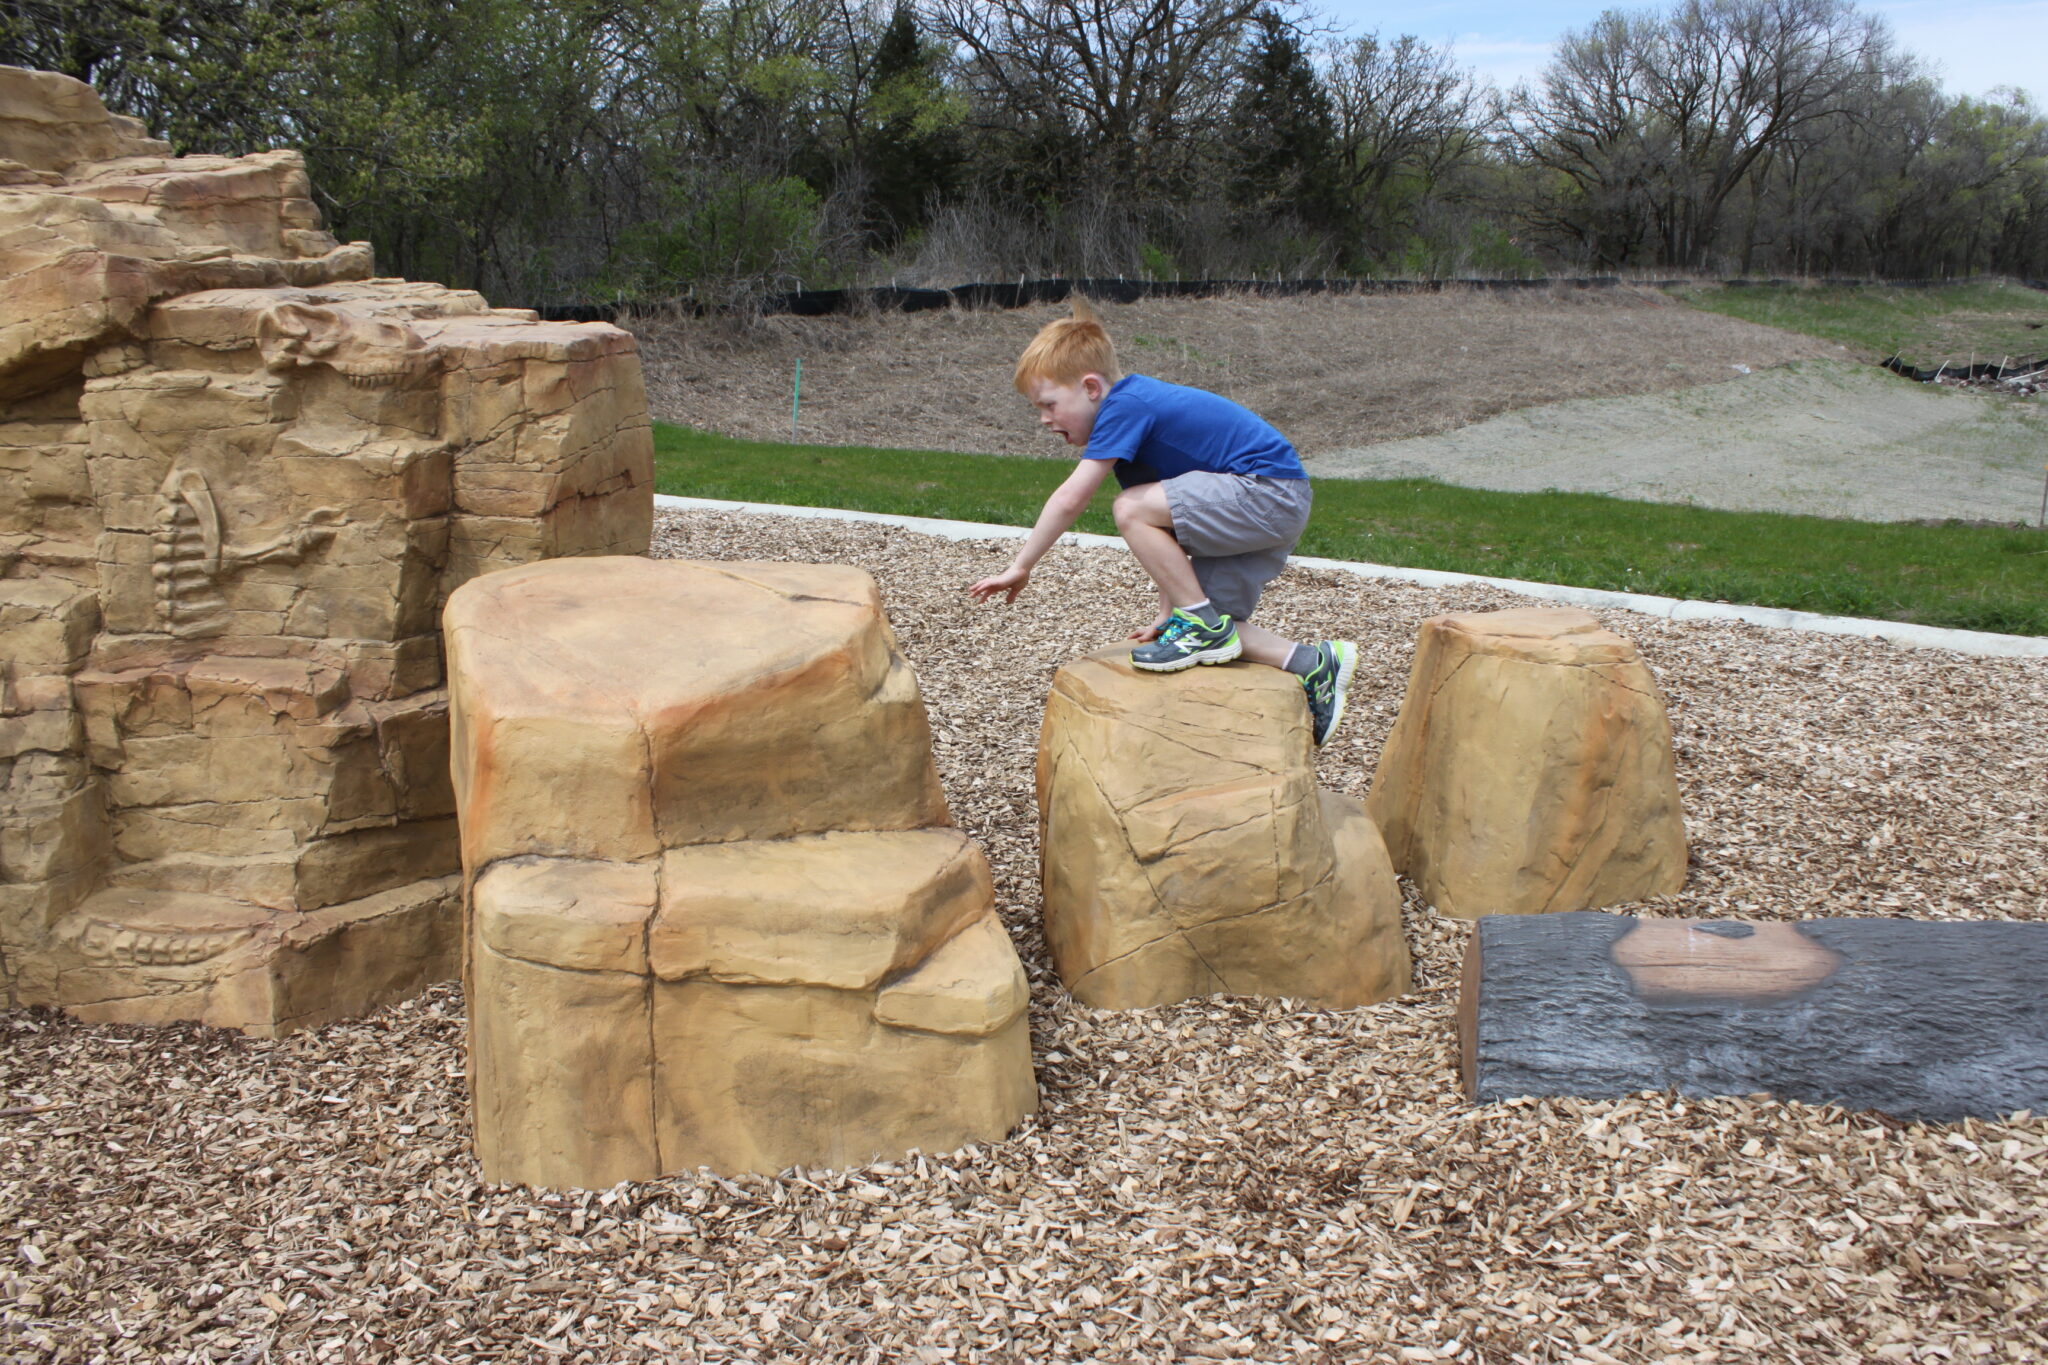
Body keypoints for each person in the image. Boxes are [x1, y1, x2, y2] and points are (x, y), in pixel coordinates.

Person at [968, 300, 1359, 745]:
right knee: (1222, 631)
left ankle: (1199, 623)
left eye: (1049, 404)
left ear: (1091, 387)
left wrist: (1022, 565)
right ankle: (1314, 664)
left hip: (1267, 490)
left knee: (1129, 509)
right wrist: (1168, 615)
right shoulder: (1133, 435)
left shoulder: (1124, 406)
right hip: (1269, 504)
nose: (1044, 419)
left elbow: (1072, 497)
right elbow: (1170, 531)